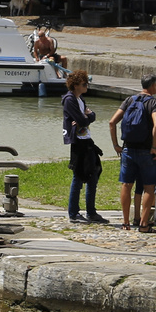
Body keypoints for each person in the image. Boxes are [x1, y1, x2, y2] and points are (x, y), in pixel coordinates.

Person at [108, 74, 156, 233]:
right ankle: (144, 224)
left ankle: (126, 222)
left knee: (126, 184)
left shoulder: (129, 100)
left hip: (128, 150)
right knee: (149, 187)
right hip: (146, 151)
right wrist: (154, 147)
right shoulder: (154, 103)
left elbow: (112, 122)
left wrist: (116, 145)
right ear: (153, 86)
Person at [62, 71, 108, 225]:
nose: (86, 86)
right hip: (78, 142)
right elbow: (83, 118)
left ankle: (91, 212)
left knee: (93, 174)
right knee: (78, 176)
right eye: (84, 84)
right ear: (76, 86)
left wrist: (89, 116)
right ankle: (73, 213)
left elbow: (88, 117)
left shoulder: (80, 98)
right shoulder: (70, 100)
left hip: (87, 140)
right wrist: (86, 117)